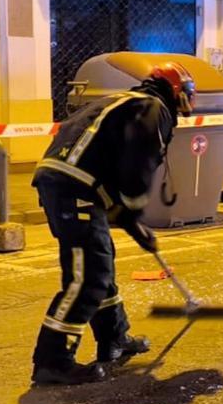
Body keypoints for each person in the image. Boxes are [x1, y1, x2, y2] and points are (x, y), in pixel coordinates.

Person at [30, 63, 196, 385]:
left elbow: (111, 162)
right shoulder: (153, 109)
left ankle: (114, 339)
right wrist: (135, 218)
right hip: (74, 189)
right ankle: (53, 360)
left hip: (72, 186)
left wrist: (132, 224)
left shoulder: (126, 101)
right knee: (87, 277)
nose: (190, 102)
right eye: (188, 94)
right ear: (176, 92)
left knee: (99, 266)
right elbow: (136, 170)